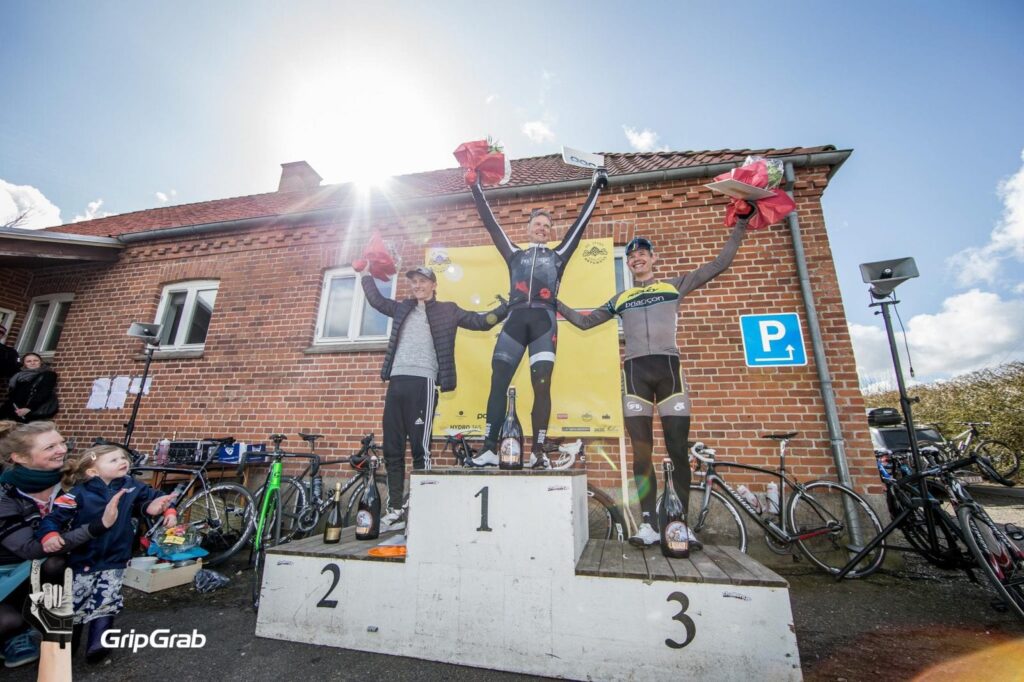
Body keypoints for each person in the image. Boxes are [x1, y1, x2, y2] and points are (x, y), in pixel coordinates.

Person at [557, 203, 758, 547]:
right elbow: (585, 322)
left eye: (642, 254)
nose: (636, 258)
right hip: (635, 373)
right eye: (631, 256)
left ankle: (679, 525)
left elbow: (719, 264)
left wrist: (740, 224)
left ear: (653, 258)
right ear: (628, 264)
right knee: (641, 453)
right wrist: (553, 301)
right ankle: (649, 524)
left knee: (677, 451)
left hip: (669, 372)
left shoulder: (673, 286)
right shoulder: (621, 298)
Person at [469, 168, 608, 468]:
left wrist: (595, 188)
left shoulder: (558, 256)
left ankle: (538, 451)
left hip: (544, 323)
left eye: (547, 226)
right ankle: (489, 448)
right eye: (538, 224)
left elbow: (580, 225)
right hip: (515, 323)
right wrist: (475, 188)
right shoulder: (514, 255)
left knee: (541, 385)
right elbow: (491, 224)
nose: (542, 229)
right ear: (528, 229)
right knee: (498, 382)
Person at [358, 264, 508, 530]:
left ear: (434, 285)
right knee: (392, 449)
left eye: (423, 281)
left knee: (420, 448)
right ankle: (395, 510)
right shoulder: (402, 308)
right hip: (396, 381)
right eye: (414, 281)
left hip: (423, 382)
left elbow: (479, 322)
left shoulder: (447, 310)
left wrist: (505, 308)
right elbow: (377, 301)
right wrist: (365, 274)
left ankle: (420, 509)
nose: (418, 285)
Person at [37, 443, 177, 664]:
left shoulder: (131, 486)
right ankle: (66, 646)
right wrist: (50, 535)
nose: (123, 462)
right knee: (75, 602)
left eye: (123, 458)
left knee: (107, 599)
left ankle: (99, 643)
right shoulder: (77, 494)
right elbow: (53, 518)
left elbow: (155, 497)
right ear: (93, 471)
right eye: (113, 460)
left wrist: (166, 509)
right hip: (83, 558)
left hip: (116, 557)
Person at [0, 421, 121, 669]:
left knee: (57, 563)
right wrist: (95, 527)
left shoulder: (74, 483)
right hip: (7, 573)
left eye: (62, 443)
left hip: (40, 570)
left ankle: (50, 627)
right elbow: (32, 549)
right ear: (19, 457)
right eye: (50, 447)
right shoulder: (5, 494)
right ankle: (19, 630)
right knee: (8, 622)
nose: (62, 450)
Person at [0, 354, 59, 423]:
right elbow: (12, 396)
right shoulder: (18, 376)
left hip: (31, 413)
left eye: (35, 360)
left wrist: (29, 408)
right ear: (24, 364)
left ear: (41, 362)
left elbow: (43, 393)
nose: (32, 363)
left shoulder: (48, 374)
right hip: (13, 411)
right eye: (29, 361)